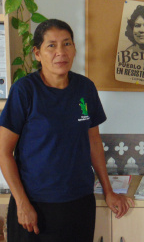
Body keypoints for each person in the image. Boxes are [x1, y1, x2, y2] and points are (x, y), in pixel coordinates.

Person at [0, 19, 134, 242]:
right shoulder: (24, 90)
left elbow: (93, 142)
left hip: (78, 203)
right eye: (51, 45)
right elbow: (4, 152)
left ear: (74, 49)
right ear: (37, 53)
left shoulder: (85, 88)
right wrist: (22, 203)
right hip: (34, 206)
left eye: (67, 44)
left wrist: (108, 190)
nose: (60, 52)